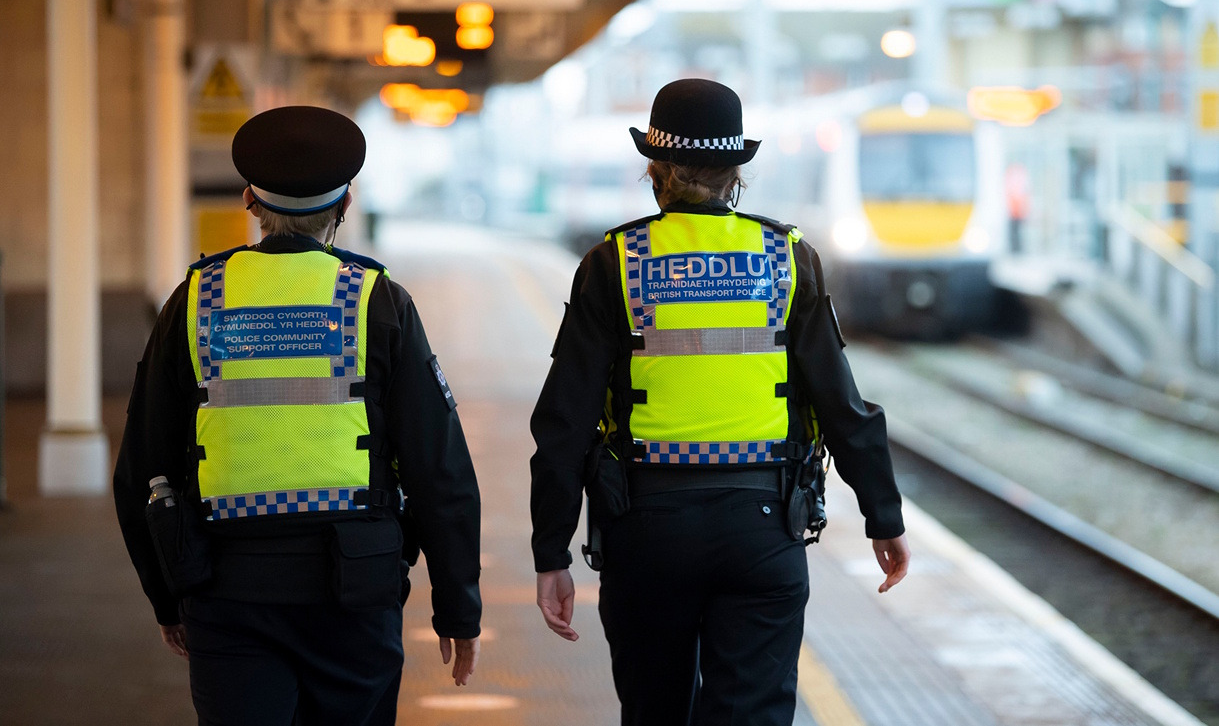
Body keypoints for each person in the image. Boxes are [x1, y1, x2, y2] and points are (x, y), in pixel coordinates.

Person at [529, 79, 910, 726]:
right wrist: (883, 515)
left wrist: (551, 553)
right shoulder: (786, 258)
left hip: (645, 530)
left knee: (655, 713)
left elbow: (564, 422)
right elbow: (840, 403)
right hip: (763, 527)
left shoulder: (614, 262)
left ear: (656, 170)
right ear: (735, 174)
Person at [113, 105, 482, 725]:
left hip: (225, 591)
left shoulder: (197, 300)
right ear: (345, 205)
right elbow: (438, 468)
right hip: (355, 590)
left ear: (250, 201)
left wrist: (166, 595)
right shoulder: (377, 300)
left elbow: (143, 465)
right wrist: (457, 606)